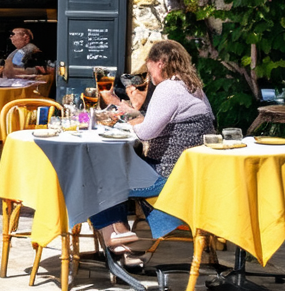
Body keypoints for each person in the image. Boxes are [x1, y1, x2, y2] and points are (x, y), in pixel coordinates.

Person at [90, 40, 215, 267]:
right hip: (190, 175)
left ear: (159, 63)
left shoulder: (168, 88)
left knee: (94, 177)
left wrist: (125, 123)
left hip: (166, 176)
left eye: (148, 69)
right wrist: (118, 104)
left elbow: (145, 132)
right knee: (112, 171)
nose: (149, 76)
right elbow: (148, 121)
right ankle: (119, 234)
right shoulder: (191, 86)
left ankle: (116, 241)